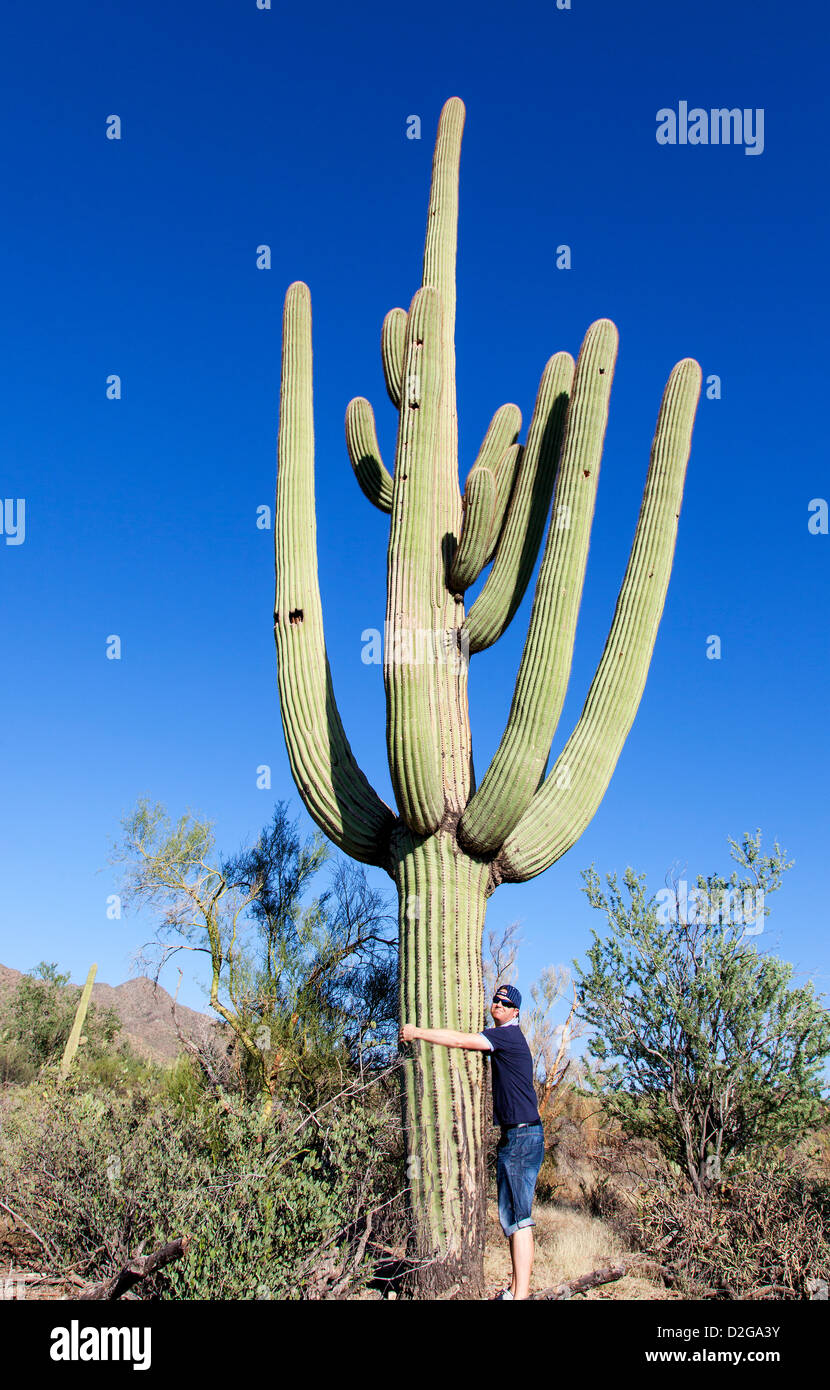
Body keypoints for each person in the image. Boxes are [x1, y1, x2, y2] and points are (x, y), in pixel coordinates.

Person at [399, 983, 544, 1300]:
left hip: (522, 1136)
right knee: (512, 1218)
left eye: (505, 1003)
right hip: (518, 1135)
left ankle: (520, 1297)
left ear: (516, 1012)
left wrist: (418, 1032)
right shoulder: (504, 1036)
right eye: (495, 1000)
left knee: (519, 1220)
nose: (498, 1004)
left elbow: (460, 1040)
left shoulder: (506, 1036)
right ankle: (515, 1291)